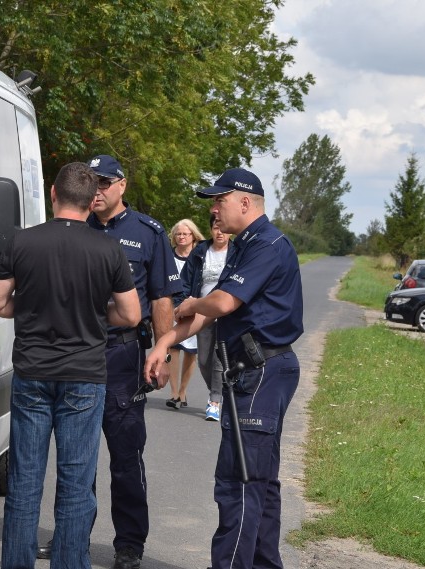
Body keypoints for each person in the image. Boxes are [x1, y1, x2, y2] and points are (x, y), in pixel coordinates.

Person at [0, 162, 141, 569]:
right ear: (92, 203)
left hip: (33, 373)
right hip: (85, 377)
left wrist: (32, 305)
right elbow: (131, 314)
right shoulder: (109, 249)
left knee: (24, 483)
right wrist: (93, 311)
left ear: (53, 195)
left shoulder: (21, 242)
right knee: (74, 486)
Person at [144, 167, 304, 569]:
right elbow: (215, 307)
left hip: (262, 369)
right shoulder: (244, 244)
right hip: (253, 371)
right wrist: (165, 342)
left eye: (220, 200)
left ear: (245, 202)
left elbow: (220, 303)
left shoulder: (266, 244)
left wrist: (192, 304)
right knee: (258, 481)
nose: (213, 210)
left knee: (240, 481)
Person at [87, 154, 183, 569]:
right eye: (91, 182)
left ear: (122, 185)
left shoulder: (147, 232)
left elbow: (162, 298)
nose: (97, 189)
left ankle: (129, 543)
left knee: (126, 454)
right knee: (78, 455)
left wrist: (163, 354)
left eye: (105, 182)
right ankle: (73, 535)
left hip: (123, 354)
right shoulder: (76, 226)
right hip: (79, 351)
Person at [179, 214, 232, 421]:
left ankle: (214, 400)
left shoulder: (236, 252)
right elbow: (185, 280)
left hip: (226, 313)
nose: (220, 232)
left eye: (223, 228)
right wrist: (183, 302)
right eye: (216, 228)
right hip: (201, 312)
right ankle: (218, 390)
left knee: (219, 358)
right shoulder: (200, 251)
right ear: (210, 230)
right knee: (203, 360)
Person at [165, 218, 205, 410]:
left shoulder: (200, 256)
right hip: (172, 308)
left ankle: (183, 391)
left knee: (191, 352)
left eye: (185, 234)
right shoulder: (168, 256)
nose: (181, 237)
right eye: (178, 234)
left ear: (193, 236)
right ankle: (173, 393)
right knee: (173, 348)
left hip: (194, 306)